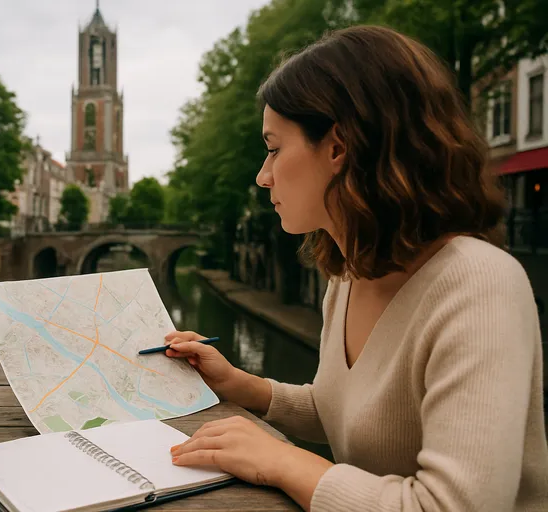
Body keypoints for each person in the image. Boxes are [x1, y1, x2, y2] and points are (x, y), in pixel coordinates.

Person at [165, 25, 548, 512]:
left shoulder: (479, 286)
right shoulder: (348, 277)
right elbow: (341, 413)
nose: (263, 176)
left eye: (274, 147)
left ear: (338, 148)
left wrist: (286, 462)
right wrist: (242, 385)